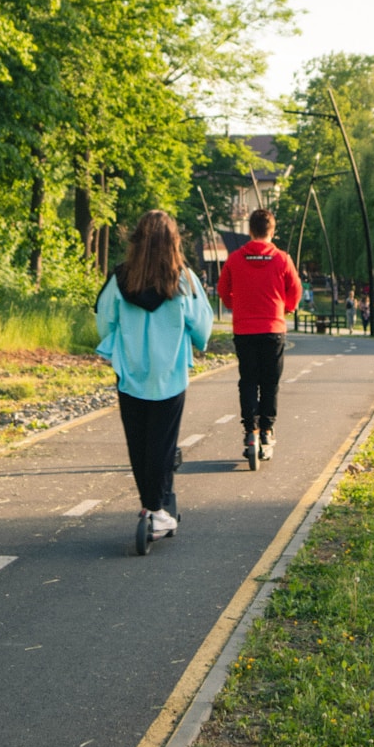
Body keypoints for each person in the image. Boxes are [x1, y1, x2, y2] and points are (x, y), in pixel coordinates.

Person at [96, 210, 213, 538]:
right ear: (173, 241)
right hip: (170, 373)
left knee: (139, 442)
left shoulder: (120, 279)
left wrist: (113, 344)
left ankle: (150, 504)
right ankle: (158, 510)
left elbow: (105, 321)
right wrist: (196, 341)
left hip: (131, 372)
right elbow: (202, 324)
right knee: (163, 442)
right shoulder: (184, 279)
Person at [217, 208, 302, 460]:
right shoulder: (282, 259)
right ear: (272, 231)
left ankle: (250, 430)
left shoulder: (234, 259)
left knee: (248, 380)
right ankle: (267, 429)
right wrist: (285, 308)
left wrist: (236, 305)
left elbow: (223, 290)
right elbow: (295, 291)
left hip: (244, 329)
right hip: (273, 329)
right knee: (270, 382)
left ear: (249, 231)